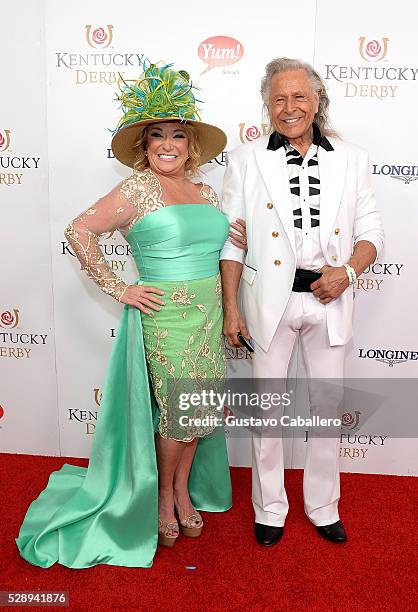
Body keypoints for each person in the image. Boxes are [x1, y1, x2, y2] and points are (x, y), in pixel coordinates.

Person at [15, 61, 247, 568]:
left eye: (178, 135)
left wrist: (237, 240)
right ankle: (163, 499)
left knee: (198, 412)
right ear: (143, 146)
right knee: (179, 414)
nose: (169, 144)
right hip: (166, 317)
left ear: (192, 144)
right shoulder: (136, 190)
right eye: (157, 135)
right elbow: (79, 231)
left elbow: (219, 245)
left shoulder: (207, 193)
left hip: (208, 315)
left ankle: (184, 491)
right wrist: (121, 287)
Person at [220, 57, 384, 546]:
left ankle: (322, 505)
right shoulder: (245, 158)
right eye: (278, 99)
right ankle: (269, 509)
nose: (288, 108)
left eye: (299, 97)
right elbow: (232, 242)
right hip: (269, 302)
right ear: (267, 105)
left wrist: (349, 272)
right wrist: (231, 307)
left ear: (317, 101)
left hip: (329, 299)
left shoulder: (352, 157)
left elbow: (371, 231)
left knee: (325, 411)